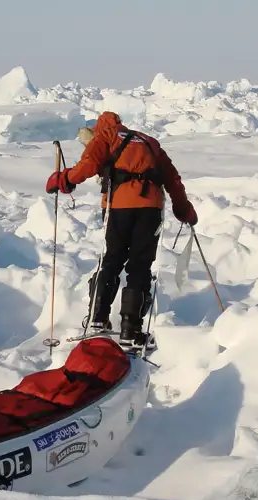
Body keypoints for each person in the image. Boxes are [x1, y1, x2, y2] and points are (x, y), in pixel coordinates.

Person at [46, 110, 198, 345]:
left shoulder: (105, 136)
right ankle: (131, 329)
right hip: (151, 209)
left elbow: (88, 164)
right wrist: (183, 210)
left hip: (119, 205)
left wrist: (63, 180)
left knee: (112, 259)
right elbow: (173, 179)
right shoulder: (149, 141)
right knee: (140, 265)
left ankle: (97, 319)